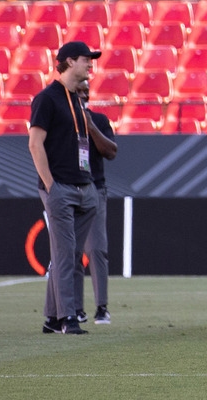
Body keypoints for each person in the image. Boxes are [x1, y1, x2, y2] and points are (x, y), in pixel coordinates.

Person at [29, 40, 114, 335]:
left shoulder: (77, 101)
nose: (90, 64)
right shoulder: (47, 98)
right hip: (61, 188)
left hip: (84, 188)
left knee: (70, 256)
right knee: (66, 255)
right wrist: (50, 185)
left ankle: (53, 318)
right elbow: (34, 143)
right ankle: (68, 318)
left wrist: (87, 185)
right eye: (85, 59)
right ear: (67, 62)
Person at [76, 80, 117, 327]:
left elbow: (111, 152)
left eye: (85, 93)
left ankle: (102, 307)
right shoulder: (62, 121)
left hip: (94, 187)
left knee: (97, 249)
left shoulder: (99, 121)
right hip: (68, 187)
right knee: (69, 252)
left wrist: (89, 126)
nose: (82, 97)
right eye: (78, 92)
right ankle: (74, 307)